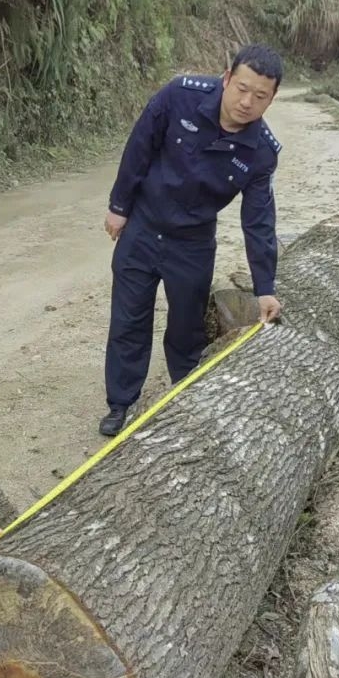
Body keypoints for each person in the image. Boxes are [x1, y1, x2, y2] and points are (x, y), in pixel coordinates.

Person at [99, 43, 284, 436]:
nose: (247, 101)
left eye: (260, 96)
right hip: (144, 228)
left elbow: (259, 221)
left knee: (186, 329)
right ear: (227, 79)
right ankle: (120, 404)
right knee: (129, 319)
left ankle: (184, 399)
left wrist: (265, 287)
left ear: (272, 98)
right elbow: (139, 148)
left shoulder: (261, 153)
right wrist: (119, 206)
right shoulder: (180, 95)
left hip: (193, 244)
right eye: (242, 88)